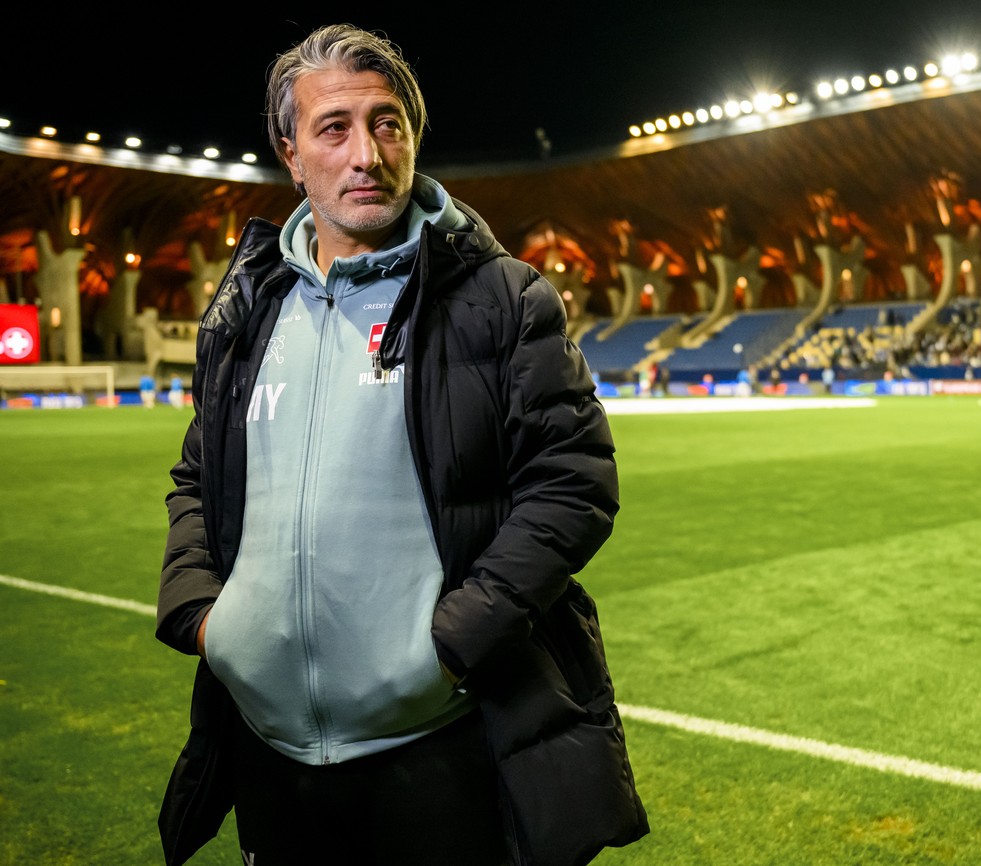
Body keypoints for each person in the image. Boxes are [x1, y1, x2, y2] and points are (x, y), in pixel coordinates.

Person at [154, 25, 647, 866]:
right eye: (334, 127)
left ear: (414, 140)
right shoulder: (250, 309)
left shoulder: (500, 297)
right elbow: (200, 476)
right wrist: (204, 617)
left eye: (388, 124)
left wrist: (450, 647)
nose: (366, 154)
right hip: (269, 750)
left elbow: (572, 486)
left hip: (437, 746)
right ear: (291, 152)